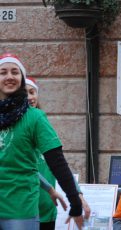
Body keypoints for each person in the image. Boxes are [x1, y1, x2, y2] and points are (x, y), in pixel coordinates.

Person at [0, 53, 83, 230]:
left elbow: (57, 162)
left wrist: (75, 200)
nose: (9, 76)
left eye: (15, 72)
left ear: (21, 79)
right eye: (3, 72)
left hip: (19, 209)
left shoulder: (35, 117)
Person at [25, 77, 91, 230]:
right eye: (24, 93)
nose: (29, 97)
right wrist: (50, 189)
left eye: (32, 92)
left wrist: (79, 196)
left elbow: (59, 166)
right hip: (24, 208)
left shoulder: (42, 124)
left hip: (48, 208)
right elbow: (26, 169)